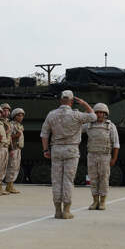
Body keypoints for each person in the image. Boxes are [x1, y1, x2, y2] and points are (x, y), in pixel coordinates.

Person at [41, 90, 96, 219]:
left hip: (56, 149)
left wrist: (45, 150)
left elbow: (44, 134)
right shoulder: (77, 115)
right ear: (72, 101)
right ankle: (66, 211)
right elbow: (93, 117)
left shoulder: (51, 114)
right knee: (68, 180)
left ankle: (57, 211)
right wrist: (84, 103)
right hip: (71, 150)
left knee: (56, 180)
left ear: (60, 100)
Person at [82, 103, 119, 210]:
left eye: (101, 112)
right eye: (97, 112)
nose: (99, 114)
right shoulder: (89, 125)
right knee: (93, 179)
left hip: (105, 156)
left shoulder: (110, 126)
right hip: (92, 155)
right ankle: (95, 201)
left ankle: (102, 201)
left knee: (104, 179)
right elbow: (77, 128)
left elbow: (116, 144)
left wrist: (114, 158)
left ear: (105, 114)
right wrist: (86, 114)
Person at [5, 108, 25, 194]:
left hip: (18, 148)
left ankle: (11, 184)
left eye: (22, 115)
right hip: (13, 148)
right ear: (14, 116)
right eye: (18, 115)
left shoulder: (19, 125)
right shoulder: (12, 125)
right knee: (12, 166)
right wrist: (11, 149)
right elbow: (9, 137)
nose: (21, 117)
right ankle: (9, 185)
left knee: (16, 167)